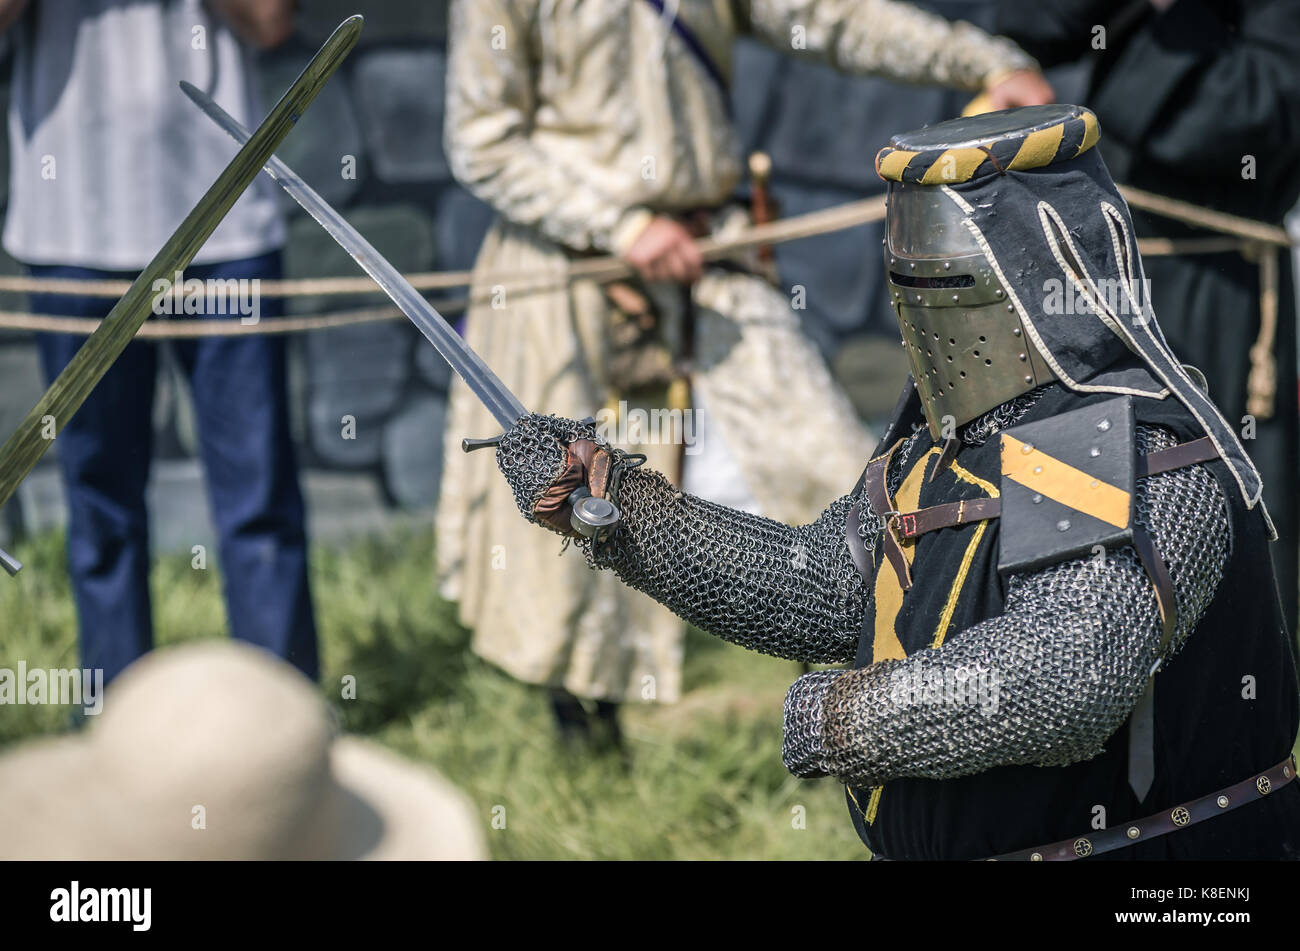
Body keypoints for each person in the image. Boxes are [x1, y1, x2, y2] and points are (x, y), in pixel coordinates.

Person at [488, 105, 1300, 859]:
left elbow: (1064, 679)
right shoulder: (937, 451)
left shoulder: (1118, 444)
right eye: (911, 291)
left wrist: (838, 716)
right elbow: (823, 590)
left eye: (944, 292)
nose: (928, 323)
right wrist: (617, 504)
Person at [439, 0, 1053, 746]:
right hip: (571, 272)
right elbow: (482, 138)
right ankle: (587, 746)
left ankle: (874, 727)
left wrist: (983, 63)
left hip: (711, 252)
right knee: (573, 512)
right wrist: (619, 226)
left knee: (833, 476)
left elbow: (830, 16)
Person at [1, 0, 317, 684]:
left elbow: (270, 20)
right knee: (99, 507)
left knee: (259, 496)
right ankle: (118, 740)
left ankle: (287, 742)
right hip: (71, 233)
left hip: (226, 222)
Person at [992, 0, 1300, 636]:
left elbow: (1260, 112)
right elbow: (1030, 23)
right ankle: (1085, 649)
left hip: (1220, 275)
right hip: (1107, 265)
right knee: (1093, 473)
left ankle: (1232, 685)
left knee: (1217, 489)